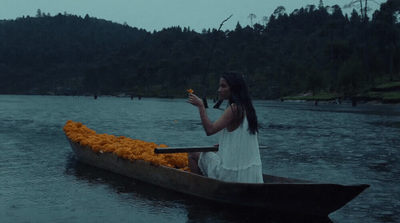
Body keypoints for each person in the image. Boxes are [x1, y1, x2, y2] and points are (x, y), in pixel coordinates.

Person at [187, 71, 263, 183]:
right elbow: (249, 138)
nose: (219, 90)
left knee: (192, 154)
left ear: (234, 88)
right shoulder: (249, 109)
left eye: (223, 86)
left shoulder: (234, 109)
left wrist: (201, 106)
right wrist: (225, 144)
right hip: (252, 175)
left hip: (230, 174)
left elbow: (210, 130)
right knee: (214, 154)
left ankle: (201, 187)